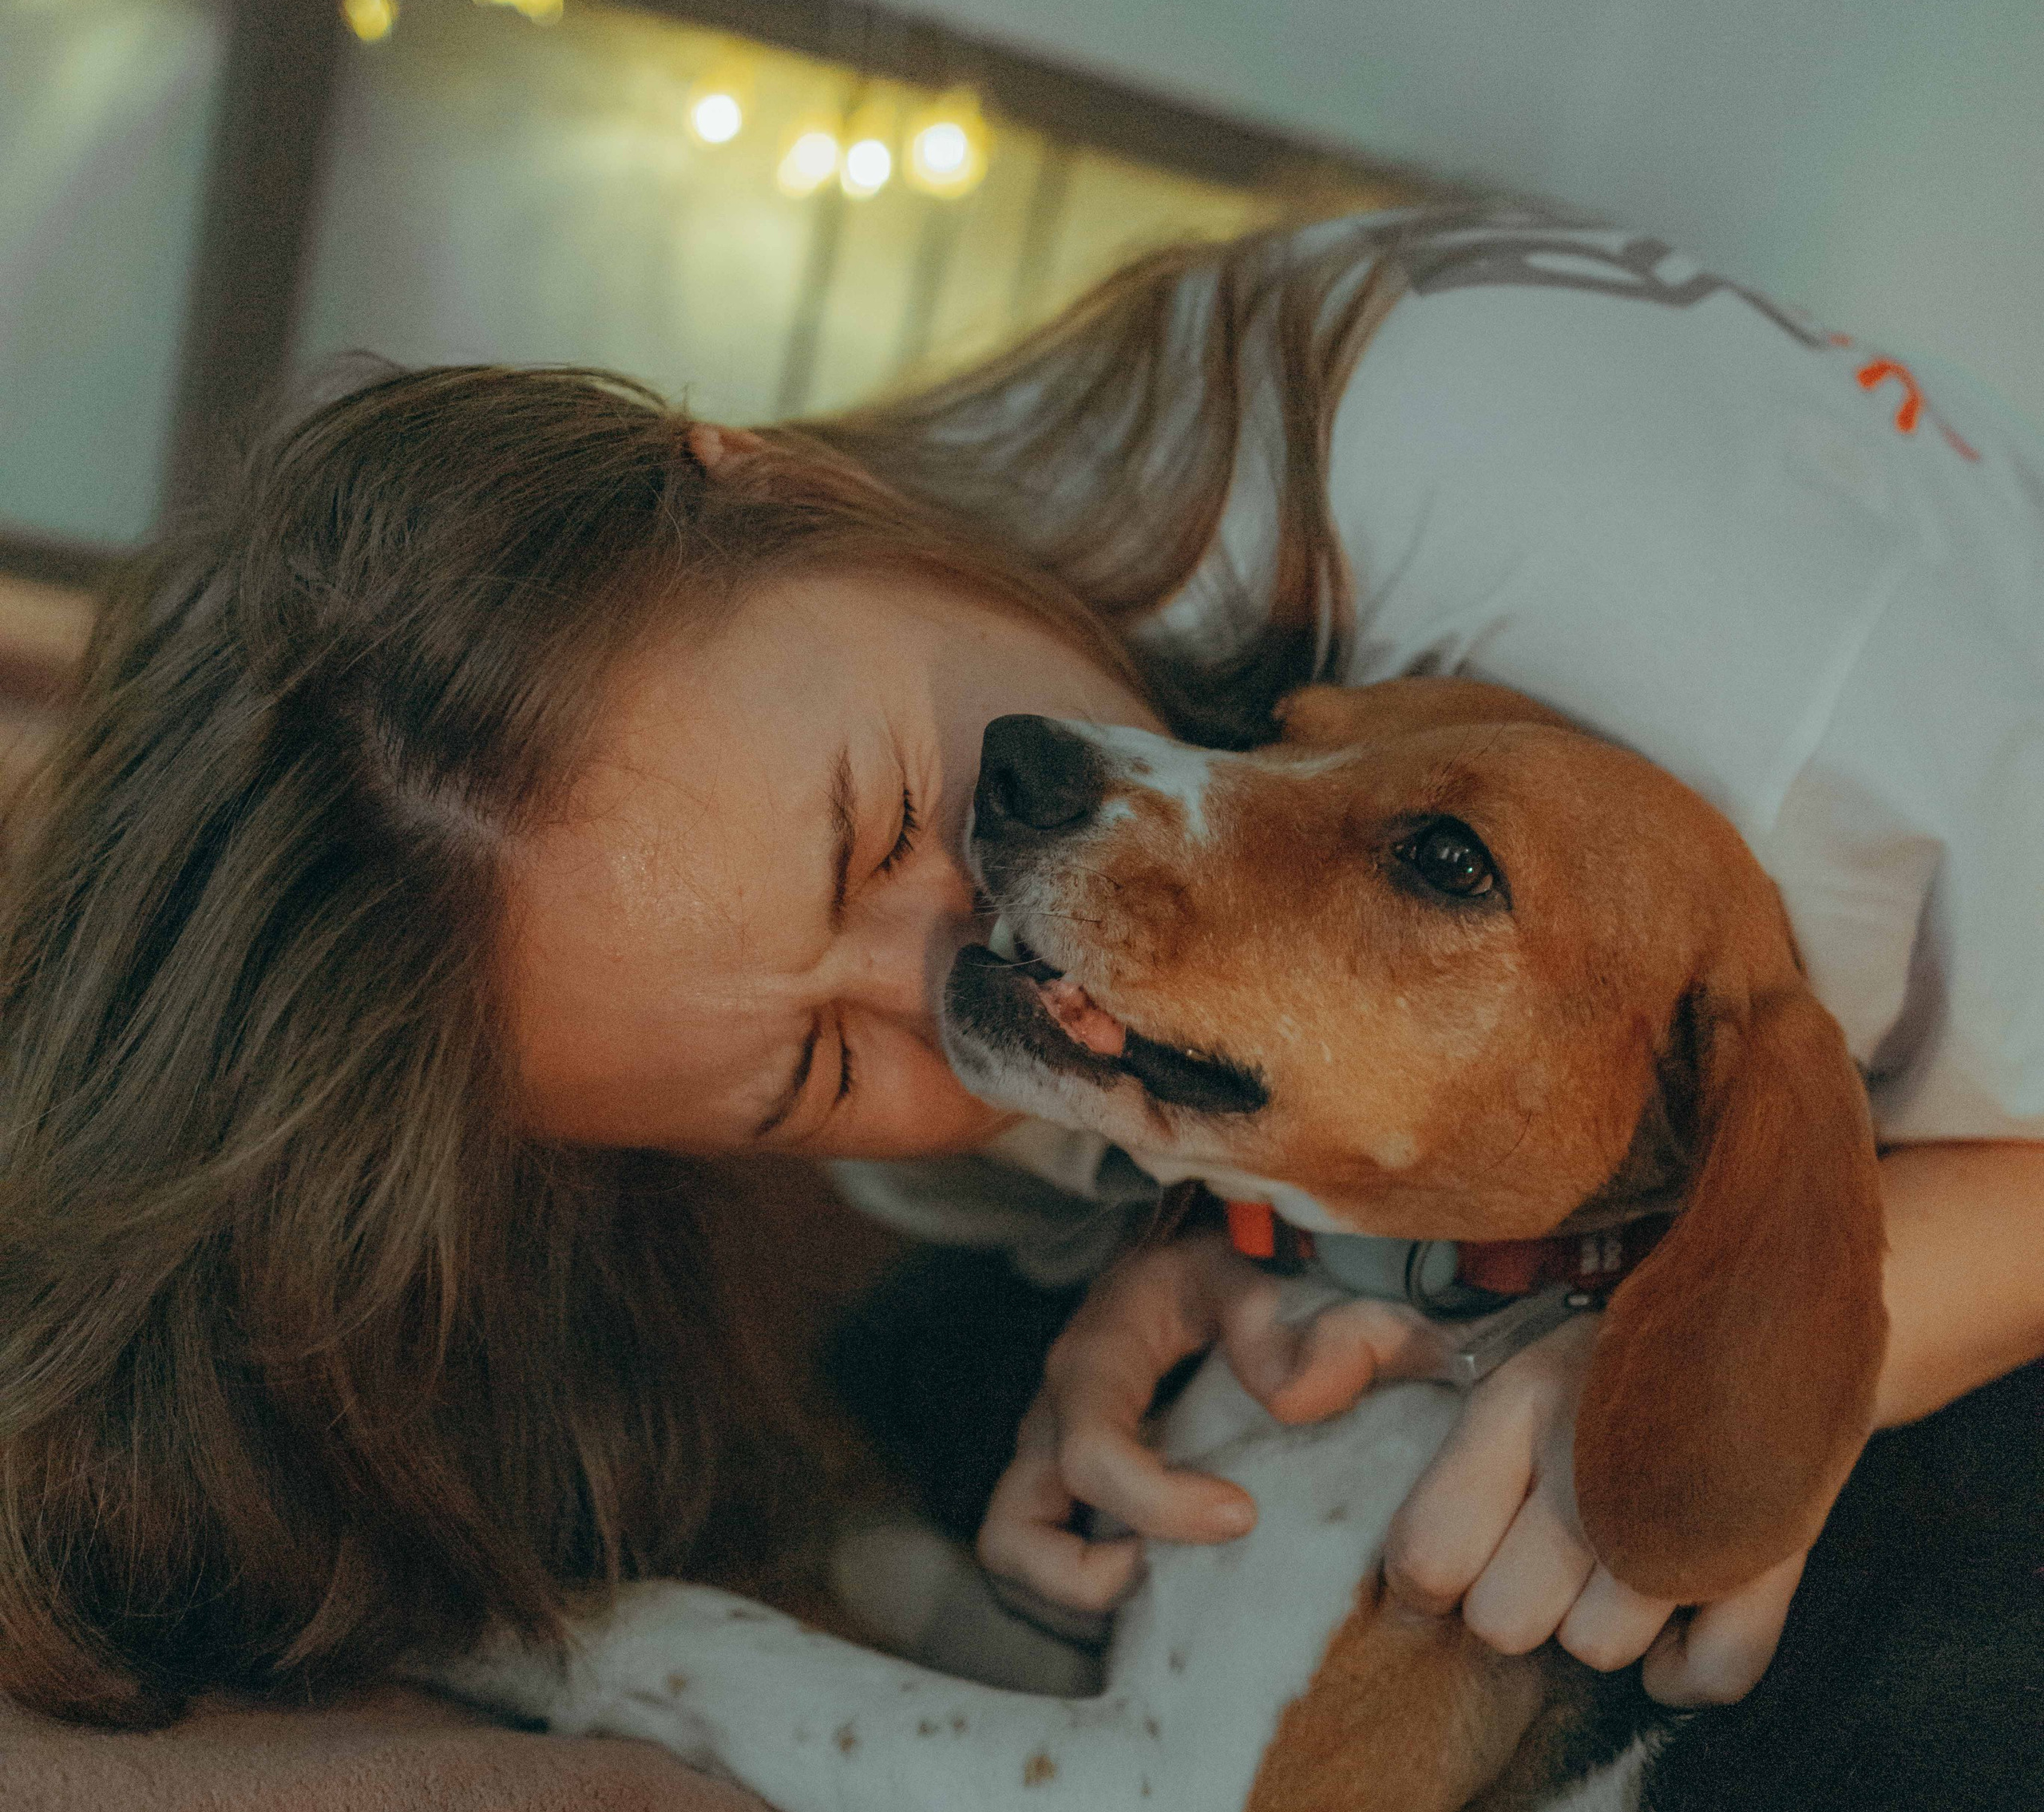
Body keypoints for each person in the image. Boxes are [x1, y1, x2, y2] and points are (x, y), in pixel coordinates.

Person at [2, 203, 2038, 1726]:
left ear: (776, 486)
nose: (958, 978)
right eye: (812, 1073)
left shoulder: (1737, 675)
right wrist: (1197, 1245)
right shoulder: (953, 1042)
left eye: (890, 816)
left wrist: (1752, 1370)